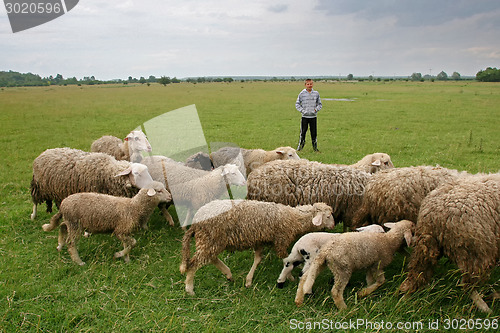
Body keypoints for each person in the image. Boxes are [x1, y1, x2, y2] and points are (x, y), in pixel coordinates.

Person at [295, 78, 322, 151]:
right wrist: (303, 111)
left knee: (314, 133)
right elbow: (297, 104)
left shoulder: (316, 93)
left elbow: (320, 104)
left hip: (313, 117)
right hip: (305, 117)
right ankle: (300, 148)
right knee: (303, 133)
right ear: (305, 85)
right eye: (308, 84)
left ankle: (315, 148)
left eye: (311, 84)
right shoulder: (302, 94)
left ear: (313, 84)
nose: (309, 85)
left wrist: (316, 110)